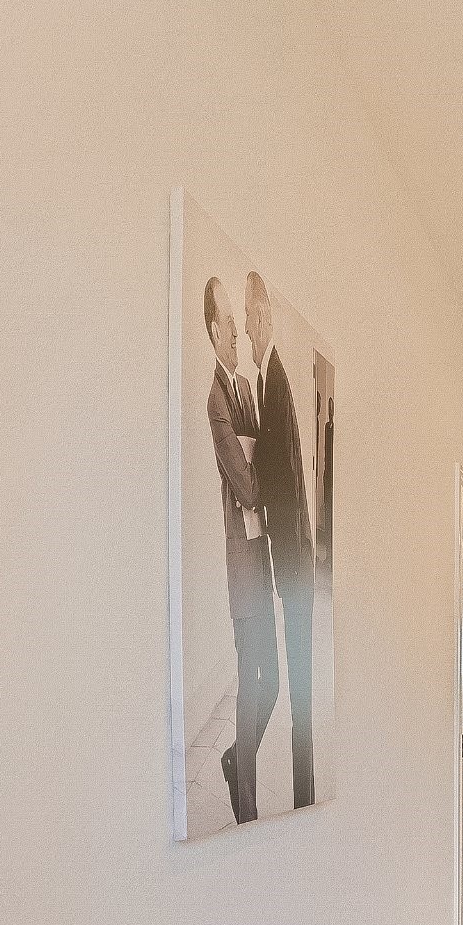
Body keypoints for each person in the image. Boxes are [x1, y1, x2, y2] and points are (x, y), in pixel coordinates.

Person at [204, 275, 277, 822]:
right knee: (252, 668)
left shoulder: (246, 390)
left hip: (263, 549)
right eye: (228, 321)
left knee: (270, 677)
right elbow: (243, 476)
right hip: (242, 558)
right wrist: (251, 465)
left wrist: (255, 461)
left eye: (236, 321)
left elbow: (262, 460)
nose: (234, 330)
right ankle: (245, 799)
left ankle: (236, 758)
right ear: (214, 329)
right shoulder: (216, 398)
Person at [244, 271, 317, 807]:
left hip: (292, 559)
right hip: (287, 553)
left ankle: (303, 786)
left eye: (259, 315)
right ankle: (302, 786)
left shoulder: (279, 381)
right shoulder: (267, 380)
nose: (254, 325)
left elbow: (281, 475)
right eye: (250, 318)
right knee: (294, 676)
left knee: (301, 681)